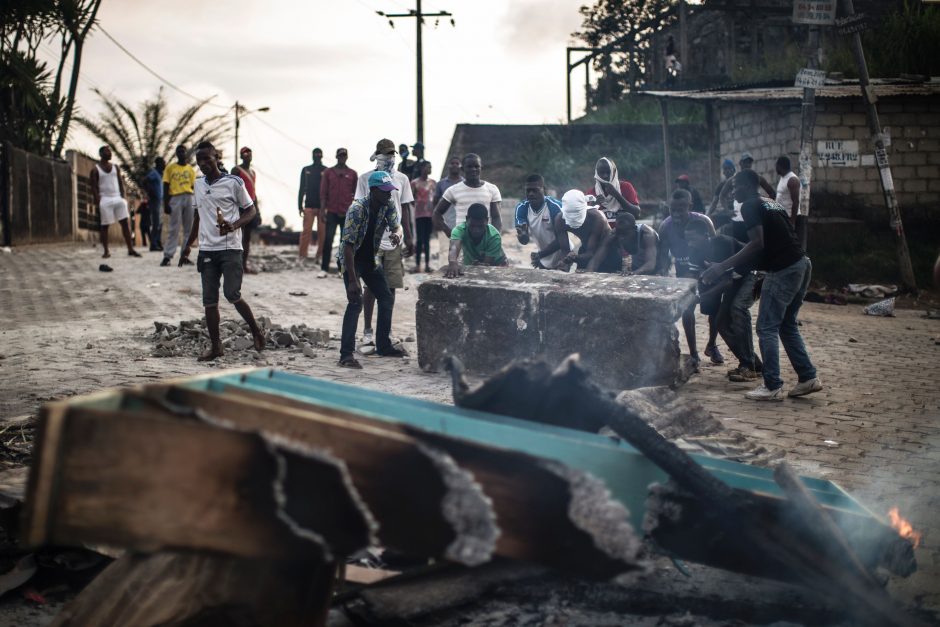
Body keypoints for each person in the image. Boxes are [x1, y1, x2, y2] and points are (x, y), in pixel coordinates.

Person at [701, 169, 820, 401]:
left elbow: (757, 244)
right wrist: (727, 267)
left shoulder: (748, 206)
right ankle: (807, 377)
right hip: (802, 264)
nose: (732, 191)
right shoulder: (770, 203)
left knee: (766, 327)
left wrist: (721, 266)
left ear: (745, 186)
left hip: (784, 269)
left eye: (734, 186)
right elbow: (766, 245)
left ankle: (772, 385)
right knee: (786, 325)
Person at [179, 141, 265, 362]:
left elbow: (251, 210)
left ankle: (255, 330)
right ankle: (216, 346)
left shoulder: (233, 182)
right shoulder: (198, 185)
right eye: (199, 161)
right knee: (209, 301)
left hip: (230, 249)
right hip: (207, 250)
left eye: (207, 158)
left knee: (231, 294)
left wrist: (234, 225)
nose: (204, 164)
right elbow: (198, 217)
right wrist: (188, 245)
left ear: (216, 157)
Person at [338, 171, 409, 368]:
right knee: (355, 302)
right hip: (351, 260)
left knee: (386, 297)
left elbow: (398, 226)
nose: (389, 194)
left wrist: (396, 234)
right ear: (373, 190)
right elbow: (348, 246)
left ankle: (384, 345)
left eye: (390, 191)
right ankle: (346, 356)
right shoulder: (357, 209)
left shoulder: (387, 205)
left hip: (370, 259)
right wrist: (353, 280)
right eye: (385, 191)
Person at [355, 139, 414, 347]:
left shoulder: (402, 179)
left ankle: (385, 330)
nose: (389, 158)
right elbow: (360, 208)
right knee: (371, 285)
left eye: (392, 154)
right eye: (386, 154)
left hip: (395, 239)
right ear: (377, 155)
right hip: (372, 240)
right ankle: (368, 330)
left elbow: (405, 209)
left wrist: (409, 236)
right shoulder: (365, 179)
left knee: (392, 286)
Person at [656, 189, 717, 367]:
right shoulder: (665, 227)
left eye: (680, 210)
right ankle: (693, 354)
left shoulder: (704, 222)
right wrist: (664, 276)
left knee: (713, 310)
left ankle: (712, 345)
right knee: (688, 310)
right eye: (672, 210)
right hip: (683, 272)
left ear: (689, 207)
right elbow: (663, 256)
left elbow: (715, 248)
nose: (676, 214)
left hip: (705, 269)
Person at [433, 153, 502, 236]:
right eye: (469, 166)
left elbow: (496, 217)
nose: (473, 169)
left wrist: (494, 237)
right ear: (462, 169)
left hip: (485, 242)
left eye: (477, 166)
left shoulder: (492, 189)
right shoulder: (453, 190)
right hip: (462, 242)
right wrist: (450, 233)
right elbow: (437, 213)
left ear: (481, 168)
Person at [90, 146, 141, 259]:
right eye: (107, 151)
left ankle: (130, 249)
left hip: (117, 198)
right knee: (105, 225)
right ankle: (106, 251)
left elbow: (120, 182)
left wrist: (123, 197)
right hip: (105, 199)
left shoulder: (115, 167)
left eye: (110, 151)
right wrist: (98, 201)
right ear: (101, 153)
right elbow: (93, 187)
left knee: (125, 224)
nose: (110, 153)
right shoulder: (95, 170)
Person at [554, 190, 619, 273]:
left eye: (577, 213)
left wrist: (574, 258)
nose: (573, 217)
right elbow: (565, 250)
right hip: (586, 249)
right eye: (570, 214)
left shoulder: (597, 218)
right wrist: (564, 262)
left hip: (609, 250)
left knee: (592, 275)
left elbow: (591, 253)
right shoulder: (560, 220)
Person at [319, 148, 358, 273]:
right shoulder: (328, 172)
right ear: (336, 156)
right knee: (328, 239)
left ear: (347, 157)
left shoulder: (352, 173)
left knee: (345, 242)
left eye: (344, 156)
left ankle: (342, 269)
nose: (342, 157)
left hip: (346, 213)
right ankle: (324, 268)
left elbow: (357, 194)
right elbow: (323, 192)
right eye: (340, 155)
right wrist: (322, 210)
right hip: (331, 211)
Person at [514, 174, 563, 270]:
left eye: (535, 190)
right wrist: (523, 237)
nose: (531, 194)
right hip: (543, 257)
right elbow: (524, 241)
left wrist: (540, 255)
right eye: (528, 190)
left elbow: (561, 240)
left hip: (562, 256)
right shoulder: (522, 208)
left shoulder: (555, 207)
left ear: (543, 190)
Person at [445, 203, 507, 277]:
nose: (476, 230)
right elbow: (454, 247)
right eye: (473, 226)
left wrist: (479, 266)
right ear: (467, 219)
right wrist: (452, 262)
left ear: (487, 220)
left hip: (497, 265)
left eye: (480, 226)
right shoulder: (459, 230)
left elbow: (486, 264)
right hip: (471, 264)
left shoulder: (494, 237)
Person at [589, 211, 658, 275]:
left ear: (634, 229)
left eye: (625, 234)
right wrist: (589, 274)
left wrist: (633, 274)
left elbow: (650, 264)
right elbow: (596, 260)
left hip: (656, 266)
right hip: (634, 268)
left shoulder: (647, 235)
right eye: (619, 233)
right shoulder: (613, 234)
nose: (621, 237)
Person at [162, 145, 196, 267]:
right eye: (179, 151)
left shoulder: (190, 169)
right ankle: (167, 256)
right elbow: (166, 185)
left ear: (186, 153)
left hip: (189, 197)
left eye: (183, 151)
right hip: (175, 197)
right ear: (176, 153)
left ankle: (184, 256)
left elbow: (193, 186)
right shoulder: (170, 168)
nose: (182, 153)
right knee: (173, 228)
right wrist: (166, 203)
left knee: (188, 230)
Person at [232, 146, 260, 273]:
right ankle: (235, 264)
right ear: (241, 155)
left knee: (247, 237)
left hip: (251, 206)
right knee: (237, 236)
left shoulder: (253, 172)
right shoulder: (236, 170)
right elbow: (231, 188)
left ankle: (243, 264)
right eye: (245, 153)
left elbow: (254, 192)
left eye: (249, 152)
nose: (247, 154)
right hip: (240, 206)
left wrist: (257, 210)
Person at [590, 157, 640, 224]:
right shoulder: (592, 194)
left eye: (608, 172)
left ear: (614, 172)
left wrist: (617, 195)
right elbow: (585, 222)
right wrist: (592, 207)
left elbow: (636, 214)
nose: (605, 176)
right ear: (596, 173)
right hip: (602, 234)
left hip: (624, 233)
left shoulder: (626, 187)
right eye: (602, 173)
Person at [298, 148, 327, 261]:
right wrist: (299, 206)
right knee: (306, 231)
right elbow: (301, 189)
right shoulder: (306, 170)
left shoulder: (326, 170)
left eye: (319, 154)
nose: (317, 156)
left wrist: (328, 207)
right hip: (309, 205)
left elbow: (329, 190)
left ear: (322, 156)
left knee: (322, 233)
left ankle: (320, 256)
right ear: (312, 156)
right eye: (315, 154)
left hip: (322, 207)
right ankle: (302, 255)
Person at [433, 156, 464, 258]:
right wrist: (436, 221)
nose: (455, 165)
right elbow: (435, 203)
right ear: (449, 166)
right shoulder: (441, 184)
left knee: (460, 252)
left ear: (461, 167)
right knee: (444, 251)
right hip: (444, 224)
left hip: (461, 224)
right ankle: (442, 273)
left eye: (457, 163)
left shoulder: (465, 183)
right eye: (452, 163)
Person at [411, 161, 436, 273]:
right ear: (421, 168)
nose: (430, 168)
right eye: (427, 167)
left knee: (427, 240)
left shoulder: (433, 182)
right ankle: (417, 265)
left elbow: (435, 198)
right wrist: (419, 205)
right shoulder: (415, 183)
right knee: (420, 240)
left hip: (430, 215)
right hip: (419, 215)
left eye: (430, 166)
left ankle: (427, 265)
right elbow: (411, 198)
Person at [775, 155, 804, 250]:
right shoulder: (783, 178)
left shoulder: (792, 180)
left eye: (776, 165)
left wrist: (792, 222)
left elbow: (796, 202)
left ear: (780, 166)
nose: (775, 168)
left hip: (791, 218)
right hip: (782, 217)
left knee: (793, 246)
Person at [143, 156, 165, 251]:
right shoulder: (153, 173)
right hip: (154, 200)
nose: (165, 164)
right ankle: (153, 244)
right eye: (163, 163)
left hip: (160, 200)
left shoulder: (160, 174)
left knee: (160, 223)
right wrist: (150, 192)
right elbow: (145, 181)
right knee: (156, 223)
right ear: (158, 164)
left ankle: (158, 242)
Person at [708, 158, 737, 229]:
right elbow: (714, 202)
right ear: (723, 172)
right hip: (727, 209)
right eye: (725, 169)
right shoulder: (721, 185)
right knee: (714, 220)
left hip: (738, 208)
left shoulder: (739, 182)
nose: (727, 171)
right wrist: (708, 215)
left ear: (733, 170)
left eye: (729, 168)